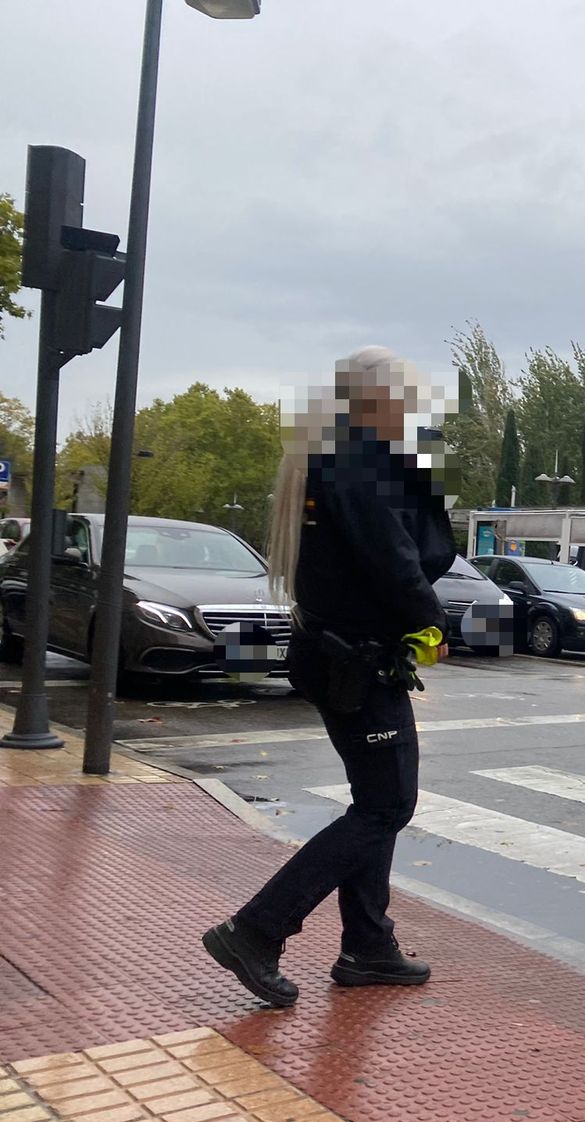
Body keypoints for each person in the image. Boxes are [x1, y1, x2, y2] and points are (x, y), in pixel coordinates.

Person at [202, 347, 454, 1008]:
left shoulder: (332, 454)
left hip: (338, 653)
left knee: (376, 801)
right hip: (358, 659)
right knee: (386, 806)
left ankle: (368, 945)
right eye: (406, 396)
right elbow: (395, 557)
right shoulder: (357, 460)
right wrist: (432, 621)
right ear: (374, 398)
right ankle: (257, 930)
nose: (415, 408)